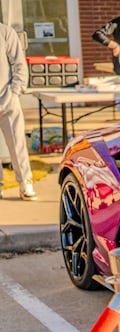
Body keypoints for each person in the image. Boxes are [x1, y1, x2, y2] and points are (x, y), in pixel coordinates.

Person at [0, 23, 36, 201]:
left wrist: (15, 91)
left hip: (8, 99)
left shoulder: (5, 32)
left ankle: (25, 183)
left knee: (17, 143)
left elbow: (19, 63)